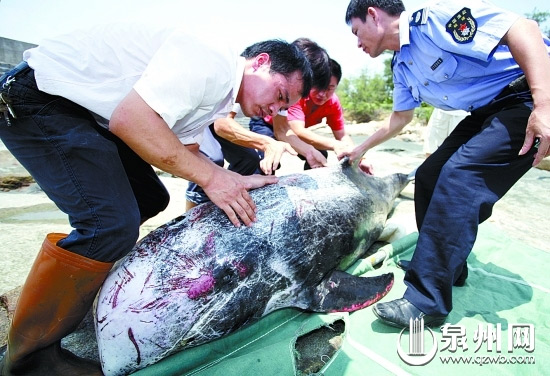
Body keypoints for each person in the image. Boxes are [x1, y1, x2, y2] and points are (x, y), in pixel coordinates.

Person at [0, 23, 313, 375]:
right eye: (281, 94)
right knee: (108, 224)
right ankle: (28, 357)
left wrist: (233, 179)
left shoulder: (218, 97)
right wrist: (213, 177)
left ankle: (97, 297)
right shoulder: (212, 59)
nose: (275, 111)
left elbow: (186, 151)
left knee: (149, 198)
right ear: (261, 62)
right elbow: (132, 121)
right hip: (38, 97)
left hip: (84, 117)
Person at [343, 0, 550, 328]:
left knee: (460, 177)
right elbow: (400, 118)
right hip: (488, 110)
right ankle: (445, 268)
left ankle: (427, 301)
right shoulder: (402, 65)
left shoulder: (435, 19)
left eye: (356, 31)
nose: (356, 42)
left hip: (531, 95)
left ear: (373, 14)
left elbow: (525, 29)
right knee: (429, 175)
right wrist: (361, 149)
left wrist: (544, 105)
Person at [184, 37, 332, 210]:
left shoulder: (286, 93)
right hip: (211, 120)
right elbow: (222, 124)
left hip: (220, 121)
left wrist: (310, 152)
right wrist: (265, 142)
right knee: (213, 157)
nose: (275, 110)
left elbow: (282, 130)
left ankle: (230, 202)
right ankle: (191, 212)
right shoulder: (237, 76)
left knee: (249, 158)